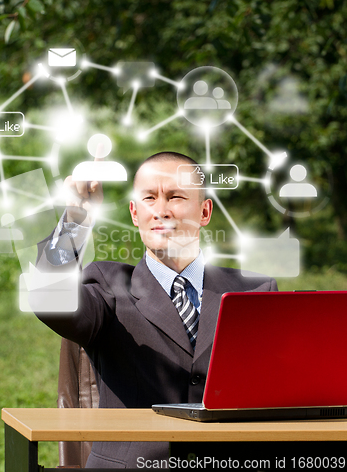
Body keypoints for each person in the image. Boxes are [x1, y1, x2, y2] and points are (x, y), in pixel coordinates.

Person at [33, 151, 278, 468]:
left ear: (204, 211)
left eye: (176, 197)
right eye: (149, 198)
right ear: (135, 213)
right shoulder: (107, 285)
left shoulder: (255, 291)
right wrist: (74, 221)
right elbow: (49, 300)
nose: (161, 210)